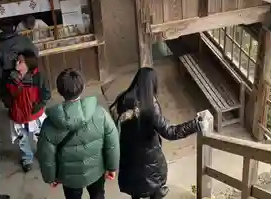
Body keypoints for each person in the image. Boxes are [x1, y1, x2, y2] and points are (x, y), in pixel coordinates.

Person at [110, 67, 202, 199]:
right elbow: (171, 132)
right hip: (149, 157)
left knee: (135, 186)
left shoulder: (122, 100)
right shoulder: (150, 107)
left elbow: (115, 126)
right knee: (152, 184)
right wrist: (194, 124)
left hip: (128, 155)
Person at [37, 69, 119, 199]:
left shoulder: (50, 124)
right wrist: (112, 167)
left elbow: (46, 155)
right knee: (98, 195)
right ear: (83, 87)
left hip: (69, 177)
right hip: (96, 171)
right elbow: (112, 143)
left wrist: (50, 177)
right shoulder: (100, 114)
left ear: (59, 91)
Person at [1, 50, 50, 172]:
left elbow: (46, 93)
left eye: (20, 61)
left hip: (34, 114)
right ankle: (27, 158)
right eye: (17, 60)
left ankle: (43, 154)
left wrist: (39, 106)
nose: (17, 63)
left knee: (40, 136)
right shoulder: (10, 77)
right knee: (22, 138)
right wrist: (10, 104)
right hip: (18, 114)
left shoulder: (39, 77)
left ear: (28, 63)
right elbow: (4, 93)